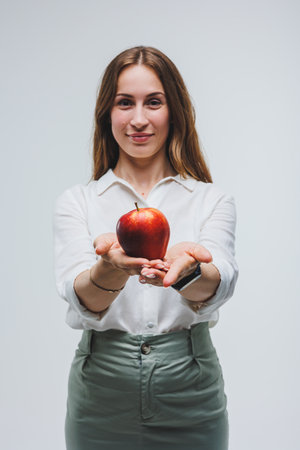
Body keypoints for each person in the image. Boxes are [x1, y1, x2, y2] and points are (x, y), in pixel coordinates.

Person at [54, 46, 238, 450]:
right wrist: (111, 268)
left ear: (174, 111)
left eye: (153, 102)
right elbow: (77, 292)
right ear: (108, 113)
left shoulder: (211, 199)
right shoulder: (78, 202)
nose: (139, 119)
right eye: (125, 103)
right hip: (101, 387)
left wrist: (187, 270)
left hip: (191, 384)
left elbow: (221, 282)